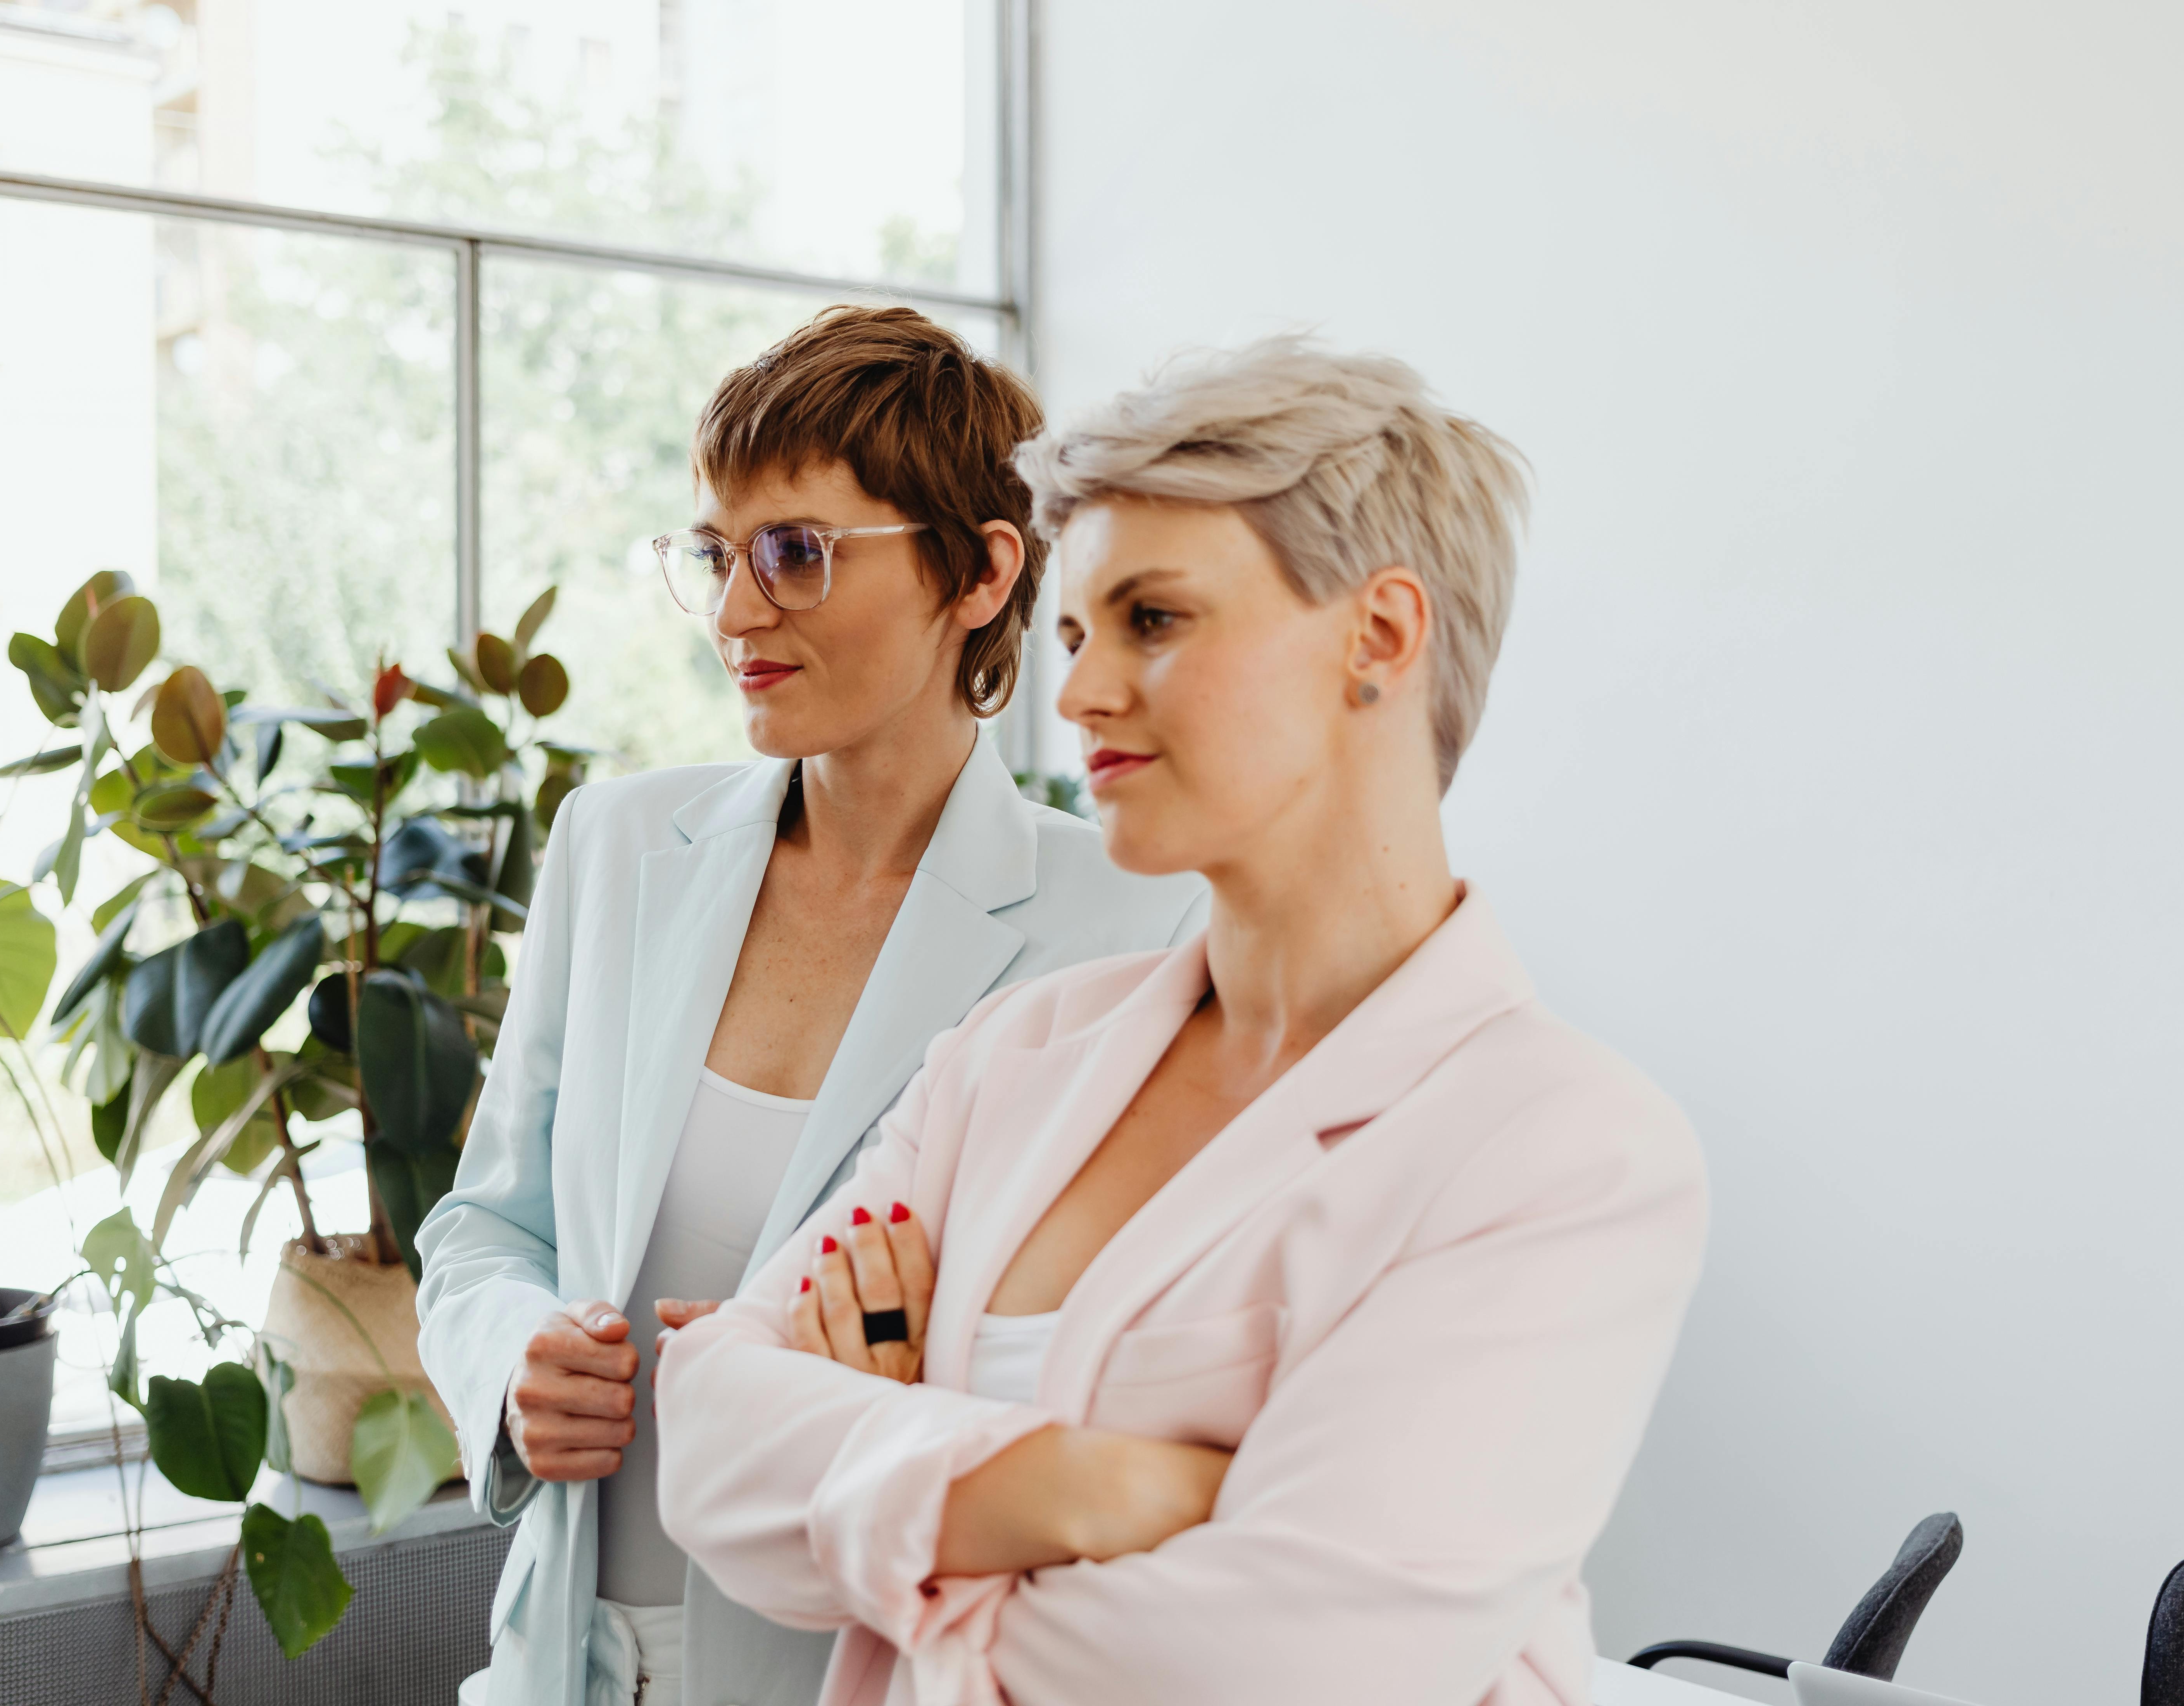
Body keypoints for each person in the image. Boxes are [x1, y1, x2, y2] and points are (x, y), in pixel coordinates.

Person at [656, 337, 1709, 1706]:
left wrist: (901, 1491)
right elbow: (711, 1436)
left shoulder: (1569, 1152)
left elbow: (1283, 1670)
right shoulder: (1015, 1057)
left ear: (1380, 638)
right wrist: (1079, 1485)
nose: (1083, 694)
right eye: (1081, 633)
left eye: (1154, 621)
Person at [415, 306, 1207, 1706]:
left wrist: (886, 1374)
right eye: (717, 553)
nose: (733, 613)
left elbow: (1128, 1385)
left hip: (858, 1665)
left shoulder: (1134, 929)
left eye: (795, 552)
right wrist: (511, 1365)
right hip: (558, 1662)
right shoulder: (617, 849)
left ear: (978, 573)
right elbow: (489, 1223)